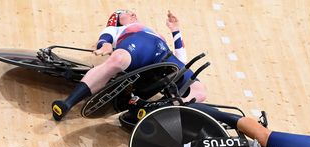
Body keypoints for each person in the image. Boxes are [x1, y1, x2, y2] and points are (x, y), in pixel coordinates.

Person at [52, 10, 206, 121]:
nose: (132, 13)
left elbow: (182, 61)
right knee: (118, 60)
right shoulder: (117, 29)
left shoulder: (153, 32)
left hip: (164, 55)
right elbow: (105, 38)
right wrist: (105, 45)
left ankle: (154, 111)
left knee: (199, 92)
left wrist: (175, 30)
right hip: (139, 46)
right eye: (124, 12)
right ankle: (67, 104)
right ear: (117, 20)